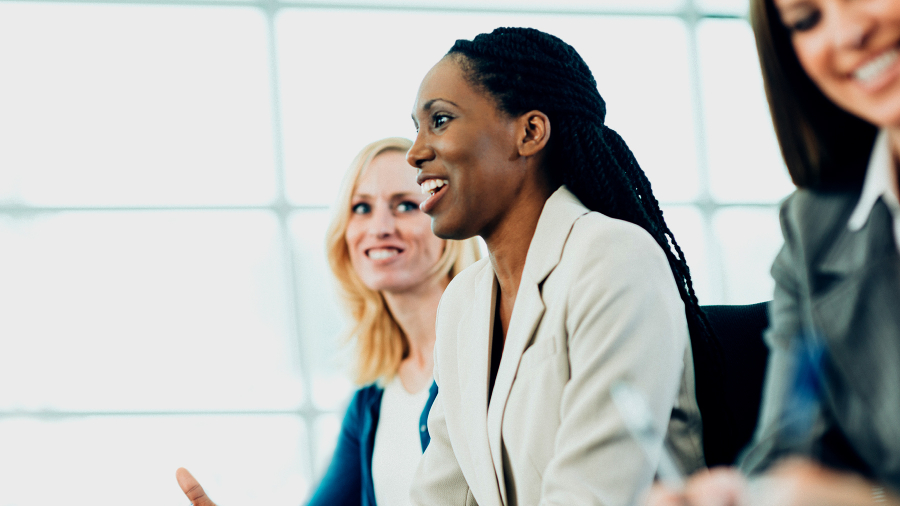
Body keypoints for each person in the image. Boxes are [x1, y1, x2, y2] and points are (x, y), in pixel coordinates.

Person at [406, 27, 729, 506]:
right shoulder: (464, 301)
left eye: (440, 120)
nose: (415, 151)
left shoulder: (615, 259)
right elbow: (442, 493)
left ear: (530, 132)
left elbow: (594, 493)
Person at [645, 0, 900, 504]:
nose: (847, 33)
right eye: (806, 20)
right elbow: (787, 452)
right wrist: (741, 494)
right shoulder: (813, 229)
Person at [176, 137, 481, 506]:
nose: (380, 227)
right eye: (361, 208)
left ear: (445, 224)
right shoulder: (371, 401)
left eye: (404, 205)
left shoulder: (483, 354)